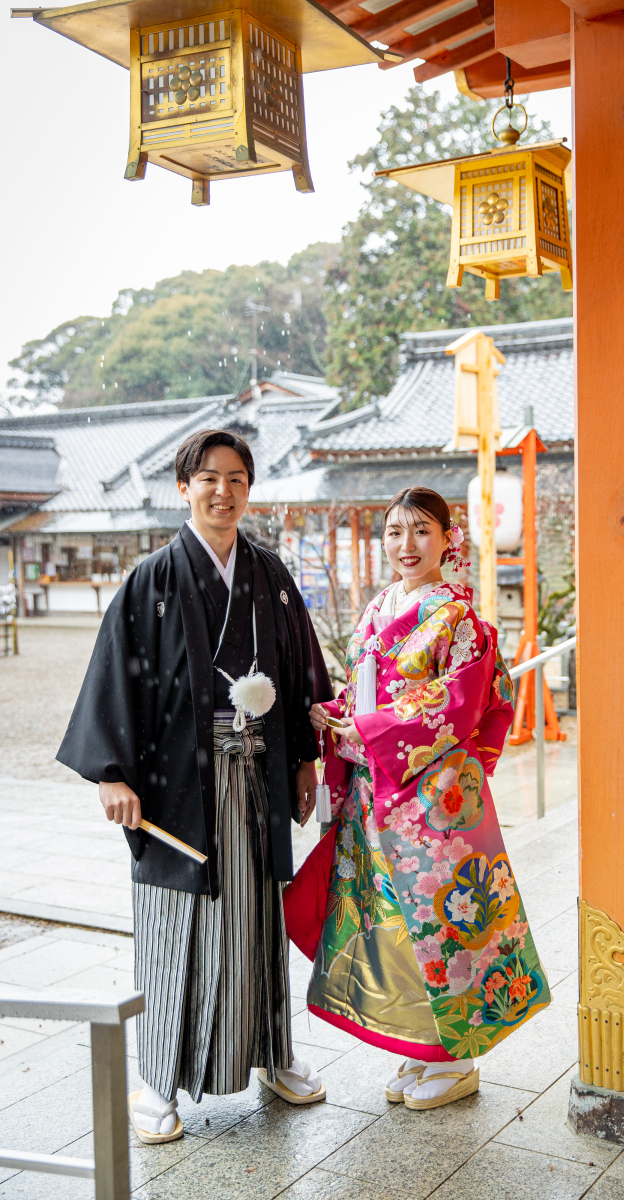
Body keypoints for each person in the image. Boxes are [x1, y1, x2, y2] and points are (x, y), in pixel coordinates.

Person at [57, 429, 333, 1143]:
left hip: (257, 774)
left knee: (257, 925)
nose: (223, 490)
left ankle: (276, 1054)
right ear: (184, 487)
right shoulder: (152, 578)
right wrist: (111, 774)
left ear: (249, 489)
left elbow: (302, 673)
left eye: (237, 478)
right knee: (174, 928)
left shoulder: (269, 574)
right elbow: (114, 674)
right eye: (208, 478)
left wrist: (304, 759)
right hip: (178, 783)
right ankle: (157, 1081)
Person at [298, 486, 550, 1110]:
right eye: (394, 533)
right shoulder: (379, 607)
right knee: (392, 928)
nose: (405, 546)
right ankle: (420, 1048)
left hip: (432, 800)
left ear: (446, 540)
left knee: (443, 924)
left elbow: (455, 707)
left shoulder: (458, 619)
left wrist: (371, 728)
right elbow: (365, 695)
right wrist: (333, 716)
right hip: (374, 794)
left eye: (420, 532)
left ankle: (457, 1060)